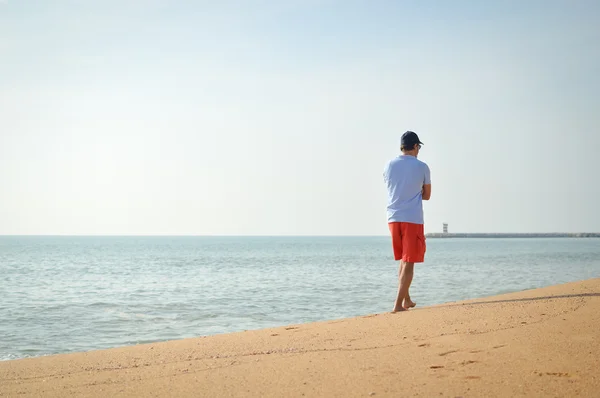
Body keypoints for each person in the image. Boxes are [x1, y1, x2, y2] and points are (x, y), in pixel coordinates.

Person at [383, 131, 431, 313]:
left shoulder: (388, 165)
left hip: (393, 218)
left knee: (403, 260)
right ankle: (397, 306)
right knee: (409, 262)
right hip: (412, 218)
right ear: (416, 147)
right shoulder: (422, 167)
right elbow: (427, 196)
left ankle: (407, 300)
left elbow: (393, 189)